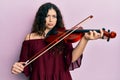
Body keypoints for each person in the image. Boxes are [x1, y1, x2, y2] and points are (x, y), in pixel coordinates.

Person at [11, 2, 103, 80]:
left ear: (57, 19)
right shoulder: (30, 38)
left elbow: (72, 58)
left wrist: (85, 39)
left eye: (54, 16)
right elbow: (23, 63)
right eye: (47, 16)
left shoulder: (63, 35)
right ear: (41, 18)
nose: (51, 19)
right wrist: (17, 67)